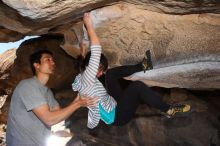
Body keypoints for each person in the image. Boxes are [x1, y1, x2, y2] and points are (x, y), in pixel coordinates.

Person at [74, 13, 191, 128]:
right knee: (137, 86)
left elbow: (84, 66)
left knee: (110, 74)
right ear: (90, 67)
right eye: (98, 69)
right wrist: (88, 24)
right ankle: (169, 110)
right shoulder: (88, 78)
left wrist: (82, 50)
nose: (100, 73)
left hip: (113, 103)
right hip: (118, 116)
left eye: (100, 70)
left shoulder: (82, 78)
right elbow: (96, 50)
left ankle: (144, 66)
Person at [6, 49, 97, 146]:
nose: (53, 62)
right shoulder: (28, 85)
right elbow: (49, 119)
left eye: (53, 60)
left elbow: (58, 115)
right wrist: (78, 104)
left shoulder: (47, 92)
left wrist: (76, 100)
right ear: (37, 65)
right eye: (47, 59)